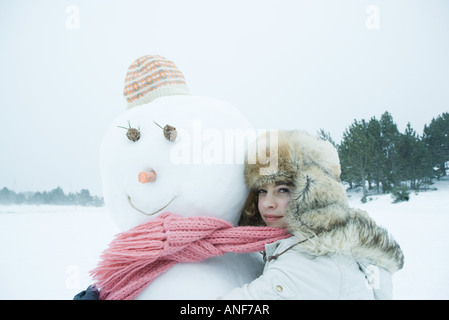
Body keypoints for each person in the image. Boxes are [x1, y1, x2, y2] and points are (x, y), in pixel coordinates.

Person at [221, 130, 404, 299]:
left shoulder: (310, 260)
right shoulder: (340, 243)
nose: (268, 203)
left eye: (283, 190)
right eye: (262, 190)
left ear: (315, 194)